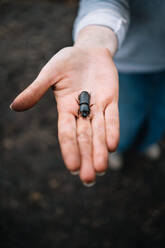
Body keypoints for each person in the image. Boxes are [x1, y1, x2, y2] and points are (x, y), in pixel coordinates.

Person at [10, 0, 165, 186]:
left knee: (159, 115)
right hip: (126, 62)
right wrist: (93, 40)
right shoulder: (86, 104)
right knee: (127, 119)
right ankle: (118, 147)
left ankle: (148, 141)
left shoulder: (85, 104)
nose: (84, 113)